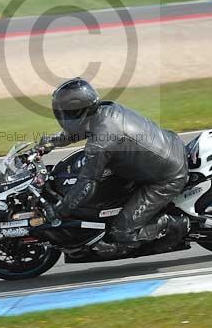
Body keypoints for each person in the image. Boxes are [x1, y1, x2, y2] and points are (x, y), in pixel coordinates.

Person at [39, 78, 190, 255]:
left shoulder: (100, 145)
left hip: (167, 177)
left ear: (75, 112)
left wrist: (61, 210)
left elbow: (86, 184)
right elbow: (80, 130)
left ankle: (176, 223)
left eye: (64, 112)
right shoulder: (103, 111)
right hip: (167, 148)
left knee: (122, 232)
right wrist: (50, 143)